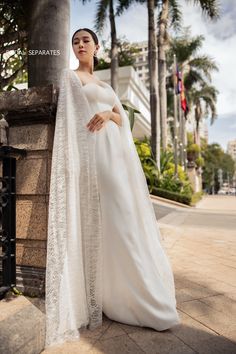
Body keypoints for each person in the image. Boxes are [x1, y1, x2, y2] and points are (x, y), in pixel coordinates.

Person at [44, 27, 180, 349]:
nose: (79, 45)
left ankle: (137, 293)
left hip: (115, 158)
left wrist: (108, 113)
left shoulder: (105, 84)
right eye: (75, 41)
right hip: (92, 158)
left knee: (125, 222)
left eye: (85, 40)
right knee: (107, 223)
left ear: (97, 47)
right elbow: (68, 123)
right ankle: (109, 296)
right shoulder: (70, 78)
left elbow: (120, 118)